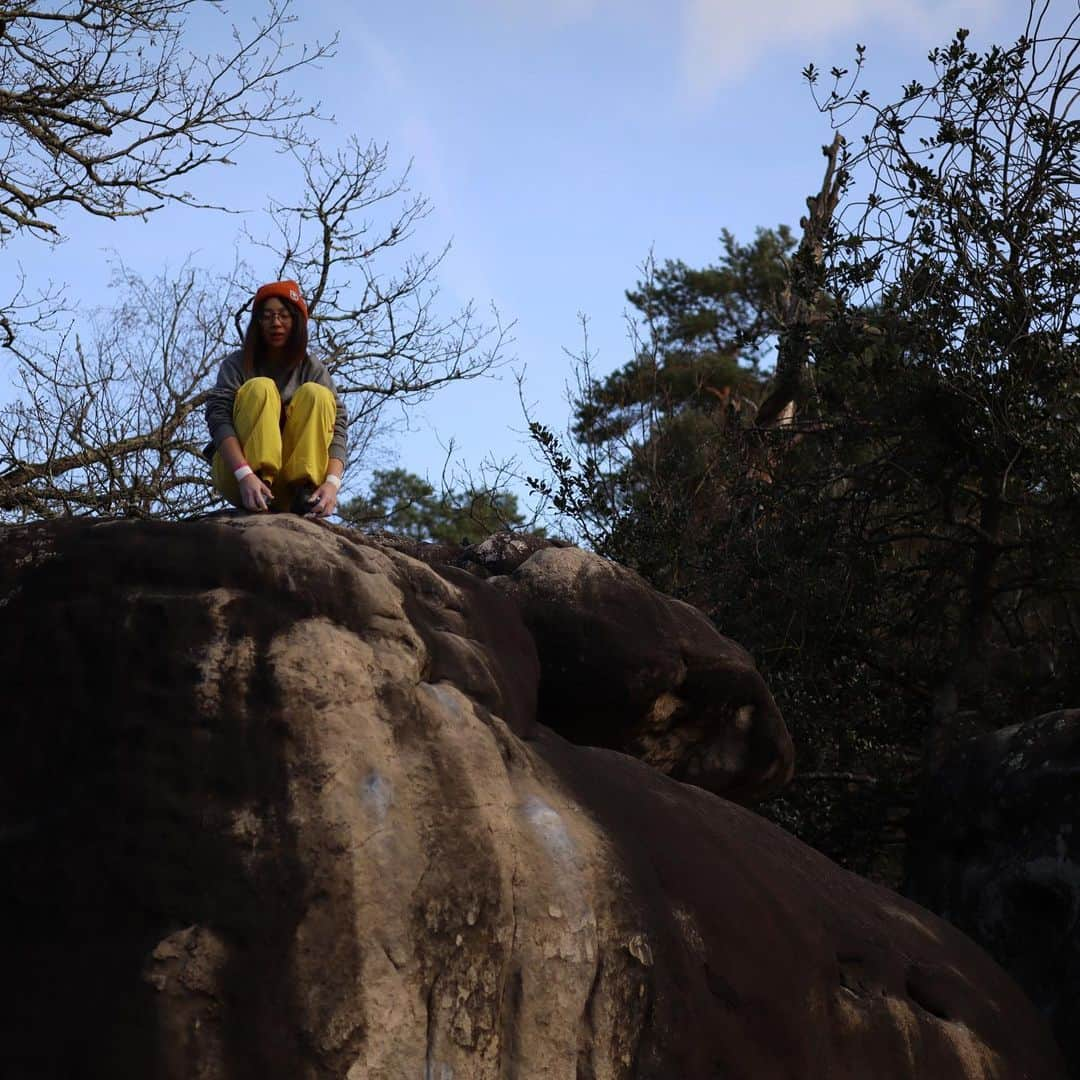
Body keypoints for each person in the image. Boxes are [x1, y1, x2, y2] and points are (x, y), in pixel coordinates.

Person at [204, 280, 347, 516]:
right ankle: (260, 483)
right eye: (267, 316)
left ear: (297, 321)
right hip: (240, 475)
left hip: (294, 486)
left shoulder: (313, 369)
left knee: (317, 395)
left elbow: (338, 428)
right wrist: (244, 475)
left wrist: (332, 484)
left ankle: (305, 491)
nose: (276, 323)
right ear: (258, 323)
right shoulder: (237, 365)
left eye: (283, 315)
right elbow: (218, 418)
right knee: (261, 388)